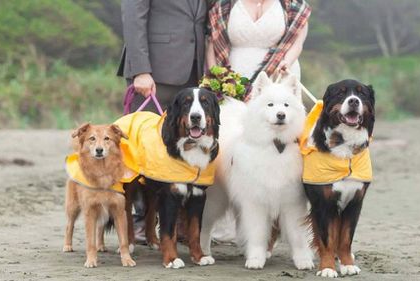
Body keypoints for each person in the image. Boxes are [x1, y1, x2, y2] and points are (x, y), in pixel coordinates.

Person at [205, 0, 311, 243]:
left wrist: (287, 61)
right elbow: (212, 42)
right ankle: (233, 223)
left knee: (279, 155)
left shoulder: (293, 6)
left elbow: (298, 41)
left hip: (280, 78)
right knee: (233, 150)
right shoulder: (224, 5)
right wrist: (217, 78)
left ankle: (275, 229)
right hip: (232, 76)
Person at [117, 0, 208, 244]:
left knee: (184, 149)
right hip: (153, 72)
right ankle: (138, 223)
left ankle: (176, 223)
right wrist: (140, 70)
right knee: (141, 151)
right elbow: (133, 17)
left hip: (193, 70)